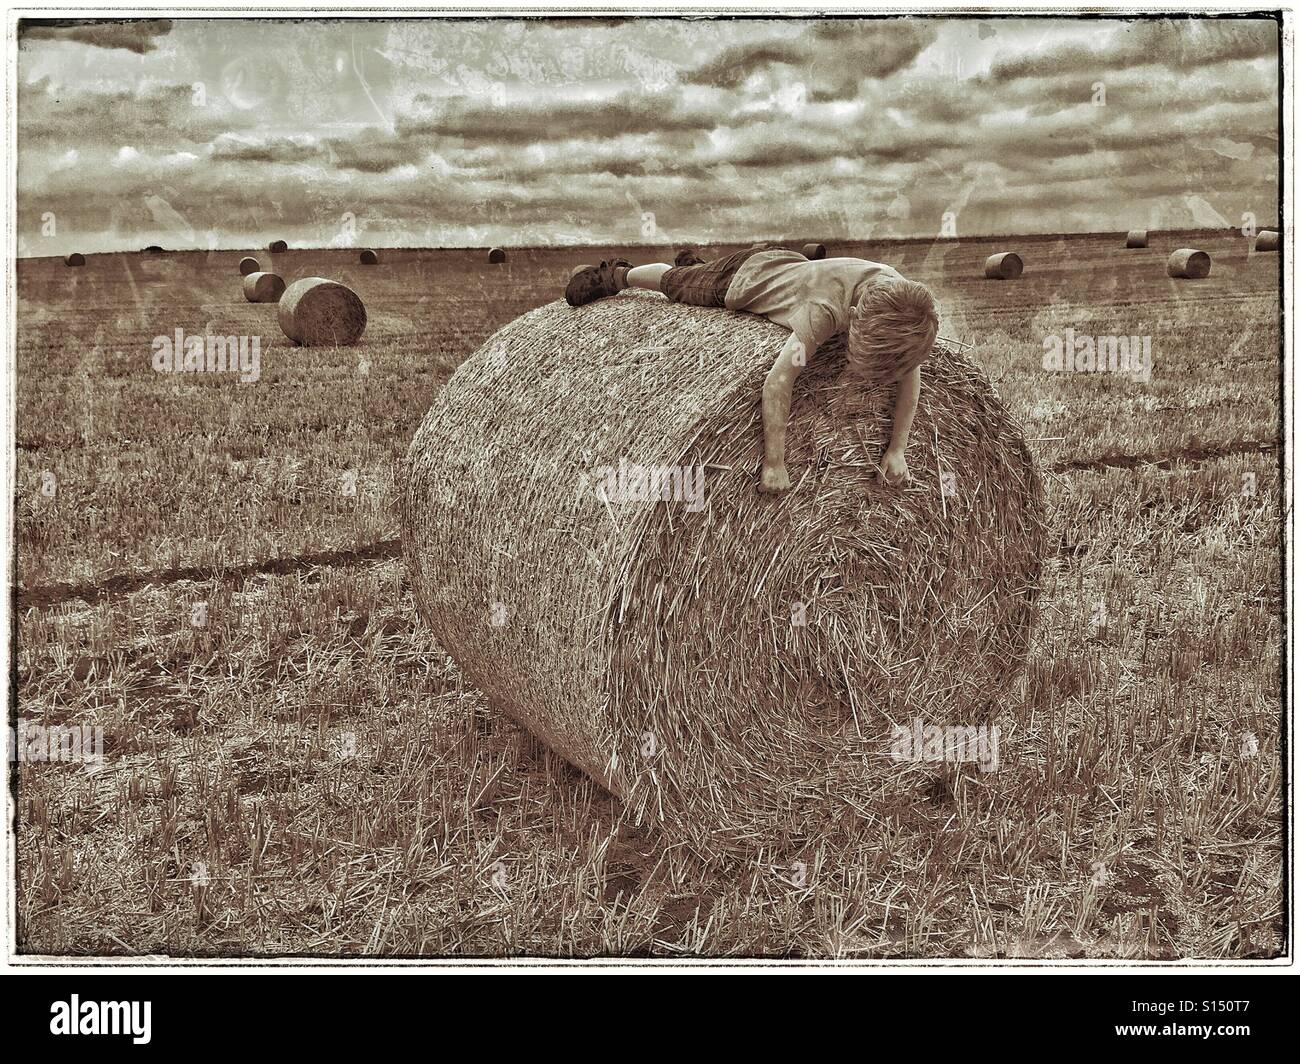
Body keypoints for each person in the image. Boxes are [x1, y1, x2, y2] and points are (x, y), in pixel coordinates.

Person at [565, 244, 939, 492]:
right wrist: (774, 462)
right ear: (852, 316)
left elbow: (910, 368)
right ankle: (617, 274)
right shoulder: (824, 311)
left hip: (789, 265)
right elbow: (779, 380)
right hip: (743, 278)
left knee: (696, 274)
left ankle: (696, 264)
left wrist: (897, 449)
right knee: (674, 285)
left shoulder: (899, 301)